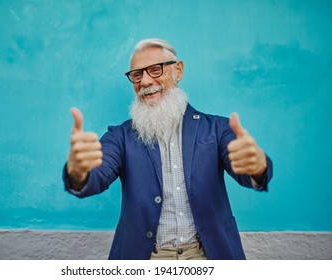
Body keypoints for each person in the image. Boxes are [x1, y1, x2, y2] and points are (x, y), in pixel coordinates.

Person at [62, 38, 273, 260]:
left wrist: (257, 167)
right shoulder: (120, 136)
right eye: (136, 74)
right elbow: (96, 176)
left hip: (208, 255)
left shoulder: (218, 129)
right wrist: (79, 172)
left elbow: (246, 170)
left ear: (178, 70)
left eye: (155, 70)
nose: (144, 81)